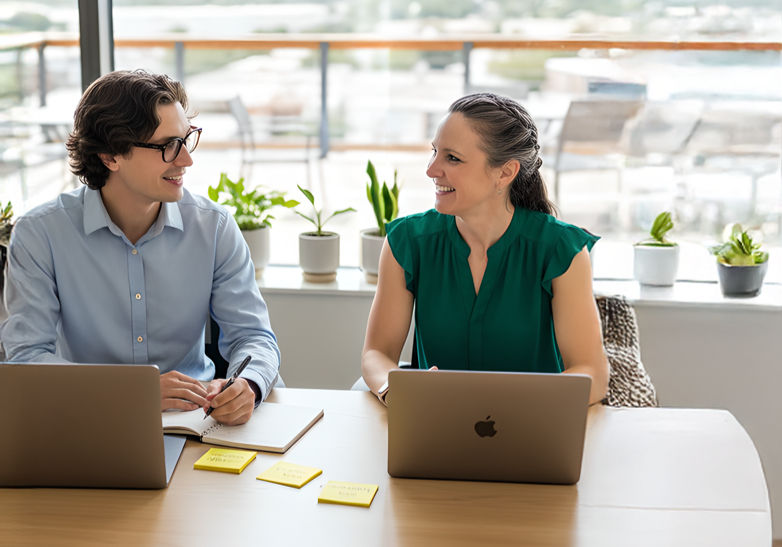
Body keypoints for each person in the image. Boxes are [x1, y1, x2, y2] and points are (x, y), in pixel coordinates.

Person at [0, 70, 280, 425]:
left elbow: (254, 336)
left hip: (196, 421)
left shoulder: (214, 226)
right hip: (87, 419)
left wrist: (249, 385)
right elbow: (26, 358)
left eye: (186, 139)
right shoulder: (40, 234)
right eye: (167, 146)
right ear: (110, 157)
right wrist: (131, 392)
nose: (186, 160)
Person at [361, 92, 609, 405]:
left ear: (505, 173)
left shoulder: (561, 249)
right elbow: (376, 353)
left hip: (534, 429)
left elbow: (592, 373)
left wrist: (524, 402)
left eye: (452, 158)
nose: (431, 169)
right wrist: (393, 388)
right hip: (433, 426)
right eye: (435, 152)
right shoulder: (407, 242)